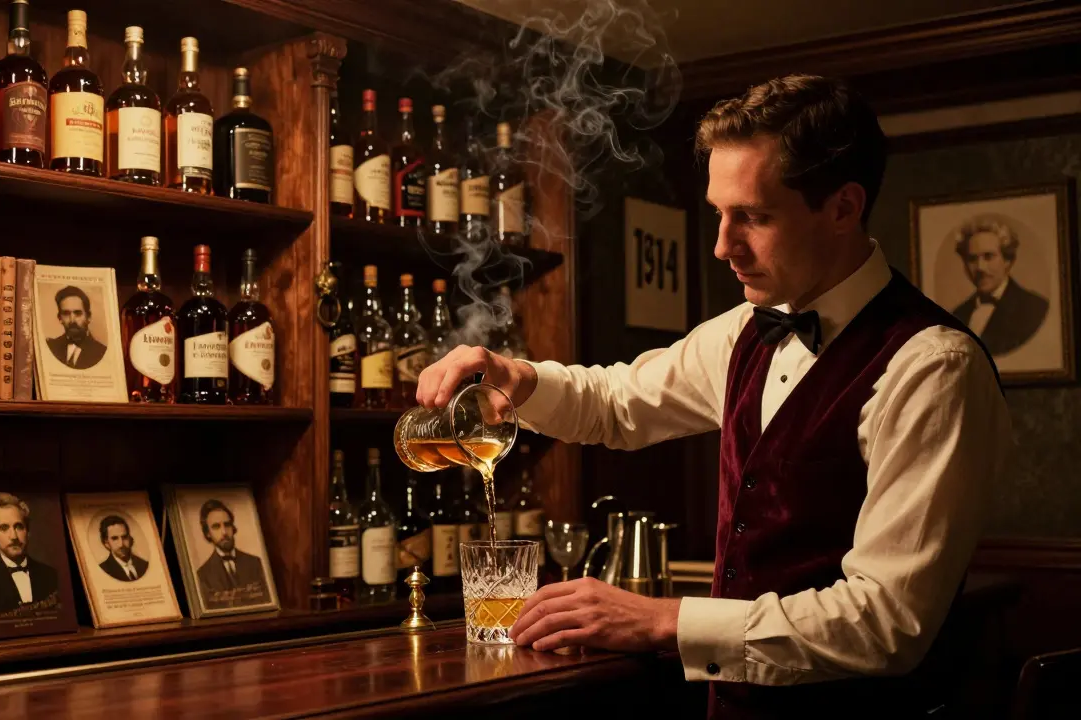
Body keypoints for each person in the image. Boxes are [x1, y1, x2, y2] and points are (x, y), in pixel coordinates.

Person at [416, 75, 1009, 718]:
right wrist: (520, 377)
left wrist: (666, 620)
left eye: (752, 216)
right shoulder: (745, 331)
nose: (723, 246)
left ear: (843, 207)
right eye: (719, 214)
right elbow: (618, 402)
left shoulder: (932, 369)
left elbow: (885, 622)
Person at [950, 216, 1048, 356]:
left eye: (989, 256)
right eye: (972, 259)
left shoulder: (1035, 309)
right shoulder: (958, 315)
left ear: (1007, 260)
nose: (980, 268)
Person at [0, 492, 59, 613]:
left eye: (19, 527)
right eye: (4, 528)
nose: (14, 536)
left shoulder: (52, 575)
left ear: (28, 531)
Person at [195, 500, 268, 608]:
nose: (224, 532)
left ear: (233, 528)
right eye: (216, 527)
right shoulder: (202, 575)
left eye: (227, 525)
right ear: (207, 533)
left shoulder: (255, 563)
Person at [46, 286, 107, 370]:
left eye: (78, 313)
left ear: (88, 317)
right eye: (66, 314)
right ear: (60, 318)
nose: (72, 320)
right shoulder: (50, 347)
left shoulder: (101, 352)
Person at [97, 515, 148, 582]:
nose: (121, 544)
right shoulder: (102, 570)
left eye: (124, 537)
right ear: (106, 543)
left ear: (130, 538)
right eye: (114, 538)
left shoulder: (145, 565)